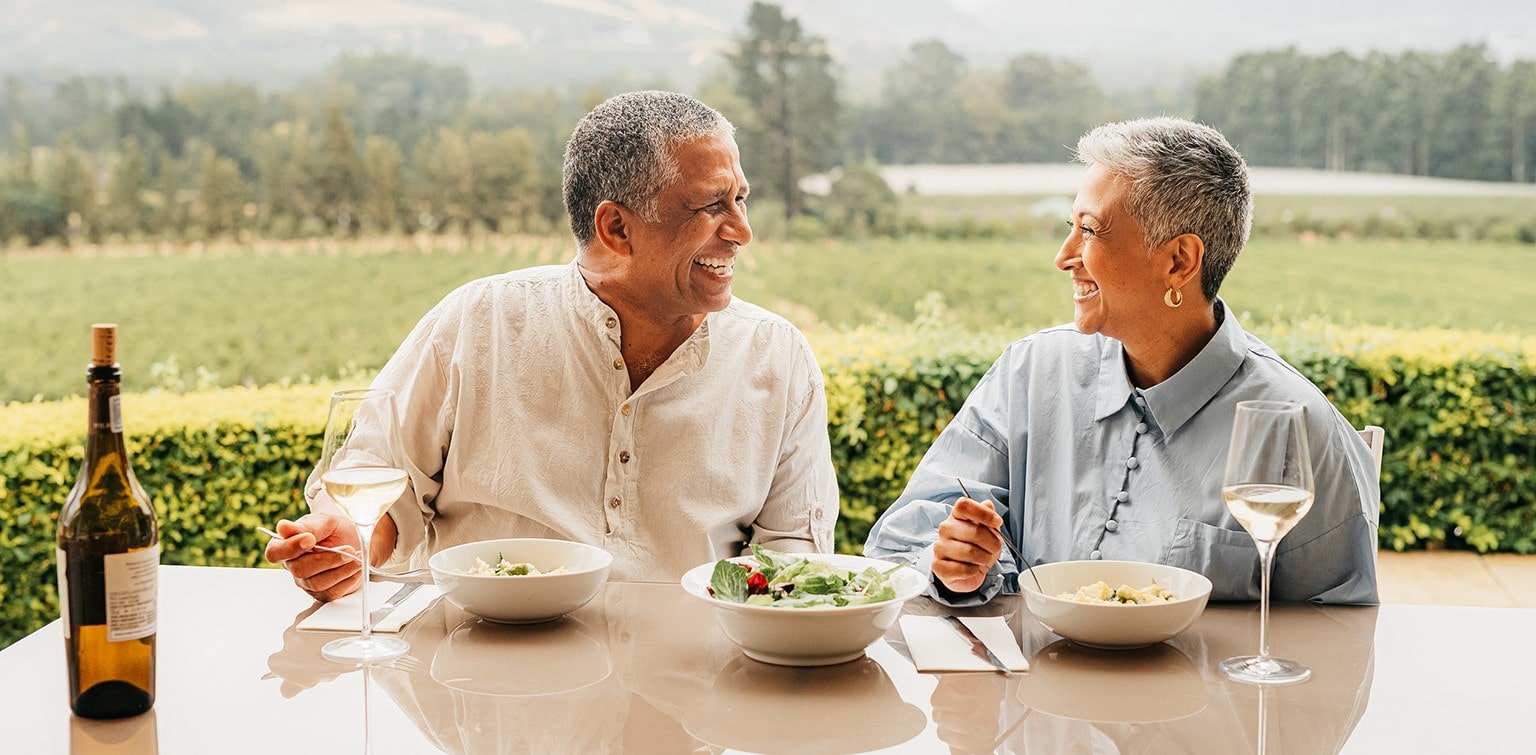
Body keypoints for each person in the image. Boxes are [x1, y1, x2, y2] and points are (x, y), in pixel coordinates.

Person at [266, 91, 839, 600]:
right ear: (616, 229)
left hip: (697, 689)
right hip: (480, 682)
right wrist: (347, 540)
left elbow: (793, 561)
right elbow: (382, 479)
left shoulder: (778, 357)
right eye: (713, 205)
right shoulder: (478, 321)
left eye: (741, 199)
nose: (741, 230)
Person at [864, 117, 1379, 605]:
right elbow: (907, 532)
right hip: (1030, 693)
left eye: (1089, 230)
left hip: (1200, 700)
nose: (1064, 256)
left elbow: (1340, 627)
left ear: (1179, 261)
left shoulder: (1302, 428)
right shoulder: (1030, 373)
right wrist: (953, 563)